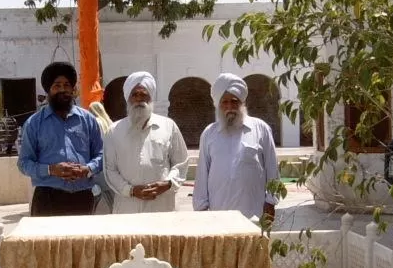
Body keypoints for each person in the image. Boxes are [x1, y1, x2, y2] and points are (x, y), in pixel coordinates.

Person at [17, 61, 103, 216]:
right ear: (49, 90)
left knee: (82, 240)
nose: (62, 89)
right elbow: (24, 163)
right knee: (47, 241)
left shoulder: (88, 120)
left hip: (82, 197)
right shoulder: (35, 123)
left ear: (73, 89)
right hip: (47, 197)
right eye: (57, 85)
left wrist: (88, 169)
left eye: (67, 85)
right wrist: (51, 170)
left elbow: (102, 154)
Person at [193, 73, 279, 224]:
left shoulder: (261, 129)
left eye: (234, 101)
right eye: (224, 102)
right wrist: (201, 208)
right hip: (218, 216)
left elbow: (272, 169)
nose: (230, 107)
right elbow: (202, 174)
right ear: (218, 104)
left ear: (242, 103)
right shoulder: (209, 134)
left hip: (254, 214)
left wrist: (271, 203)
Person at [103, 72, 189, 214]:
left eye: (144, 95)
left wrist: (167, 184)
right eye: (135, 95)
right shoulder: (114, 131)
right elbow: (110, 170)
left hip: (161, 207)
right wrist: (131, 190)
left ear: (151, 98)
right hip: (127, 208)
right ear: (128, 98)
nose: (139, 99)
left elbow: (181, 162)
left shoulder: (168, 126)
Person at [88, 101, 116, 214]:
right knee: (111, 196)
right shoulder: (110, 123)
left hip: (100, 163)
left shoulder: (95, 122)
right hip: (111, 163)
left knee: (99, 194)